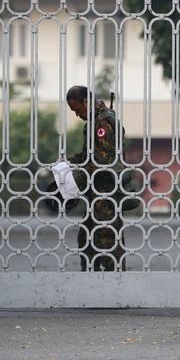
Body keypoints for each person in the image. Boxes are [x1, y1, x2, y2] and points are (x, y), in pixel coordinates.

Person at [66, 85, 126, 272]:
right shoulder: (94, 121)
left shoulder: (103, 122)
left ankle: (115, 284)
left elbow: (104, 159)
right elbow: (89, 156)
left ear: (86, 101)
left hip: (105, 192)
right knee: (87, 238)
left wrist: (79, 172)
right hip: (95, 192)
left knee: (106, 239)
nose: (77, 115)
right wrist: (67, 163)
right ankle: (90, 281)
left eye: (77, 109)